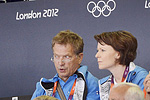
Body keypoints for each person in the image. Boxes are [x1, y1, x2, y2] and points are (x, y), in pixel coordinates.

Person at [31, 30, 99, 100]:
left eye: (67, 57)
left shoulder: (93, 85)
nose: (60, 63)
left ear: (79, 57)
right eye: (56, 56)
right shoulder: (43, 88)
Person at [94, 30, 148, 99]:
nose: (97, 55)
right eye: (98, 51)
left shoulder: (141, 78)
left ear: (118, 54)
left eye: (103, 50)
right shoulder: (103, 84)